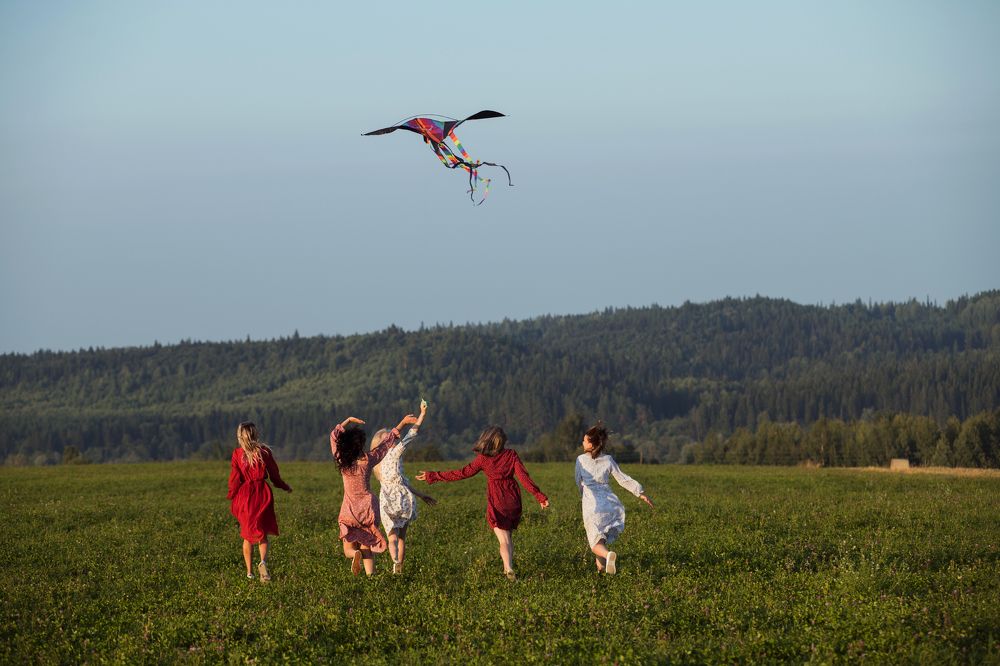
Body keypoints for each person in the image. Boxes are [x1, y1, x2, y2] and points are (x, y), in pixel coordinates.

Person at [417, 426, 548, 581]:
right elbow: (524, 477)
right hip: (513, 498)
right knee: (508, 537)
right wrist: (539, 496)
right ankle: (508, 567)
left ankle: (508, 568)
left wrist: (434, 476)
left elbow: (462, 473)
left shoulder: (483, 459)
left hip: (497, 500)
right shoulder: (511, 455)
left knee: (503, 539)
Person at [331, 409, 419, 576]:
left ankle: (354, 555)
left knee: (348, 548)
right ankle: (371, 577)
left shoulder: (342, 461)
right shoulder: (367, 460)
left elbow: (334, 436)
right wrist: (402, 423)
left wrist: (347, 421)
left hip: (350, 509)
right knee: (366, 545)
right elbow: (386, 444)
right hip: (369, 508)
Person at [575, 422, 653, 574]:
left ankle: (608, 555)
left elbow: (578, 481)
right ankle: (602, 569)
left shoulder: (580, 460)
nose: (582, 442)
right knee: (600, 539)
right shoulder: (608, 459)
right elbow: (623, 479)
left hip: (593, 506)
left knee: (594, 544)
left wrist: (582, 495)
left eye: (585, 440)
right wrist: (640, 493)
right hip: (609, 504)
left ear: (591, 444)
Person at [372, 399, 437, 574]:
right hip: (404, 498)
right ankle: (399, 566)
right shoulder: (396, 454)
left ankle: (394, 560)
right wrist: (422, 414)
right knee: (402, 538)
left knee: (391, 537)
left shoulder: (376, 461)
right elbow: (411, 435)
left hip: (388, 499)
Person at [227, 421, 292, 583]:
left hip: (245, 496)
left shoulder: (237, 454)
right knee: (262, 533)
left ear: (240, 436)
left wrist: (232, 495)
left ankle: (249, 572)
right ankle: (262, 562)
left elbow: (235, 480)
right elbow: (274, 475)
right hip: (263, 494)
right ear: (255, 435)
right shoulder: (265, 452)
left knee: (247, 536)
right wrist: (283, 486)